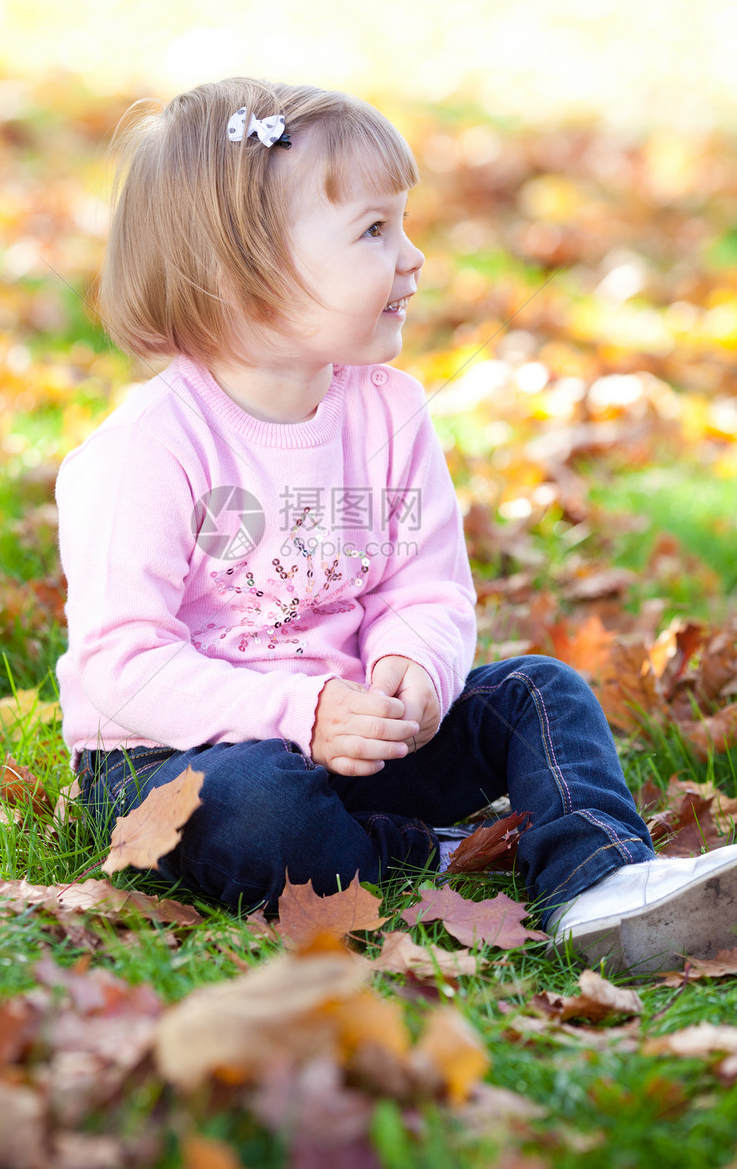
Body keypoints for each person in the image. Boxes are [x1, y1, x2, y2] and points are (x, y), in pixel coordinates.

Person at [55, 77, 737, 976]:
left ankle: (598, 881)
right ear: (242, 271)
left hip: (358, 733)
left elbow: (426, 584)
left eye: (403, 225)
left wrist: (411, 669)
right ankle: (422, 853)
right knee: (262, 808)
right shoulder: (148, 448)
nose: (412, 258)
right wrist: (299, 711)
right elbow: (123, 663)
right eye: (374, 232)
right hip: (178, 757)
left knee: (539, 691)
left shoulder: (388, 413)